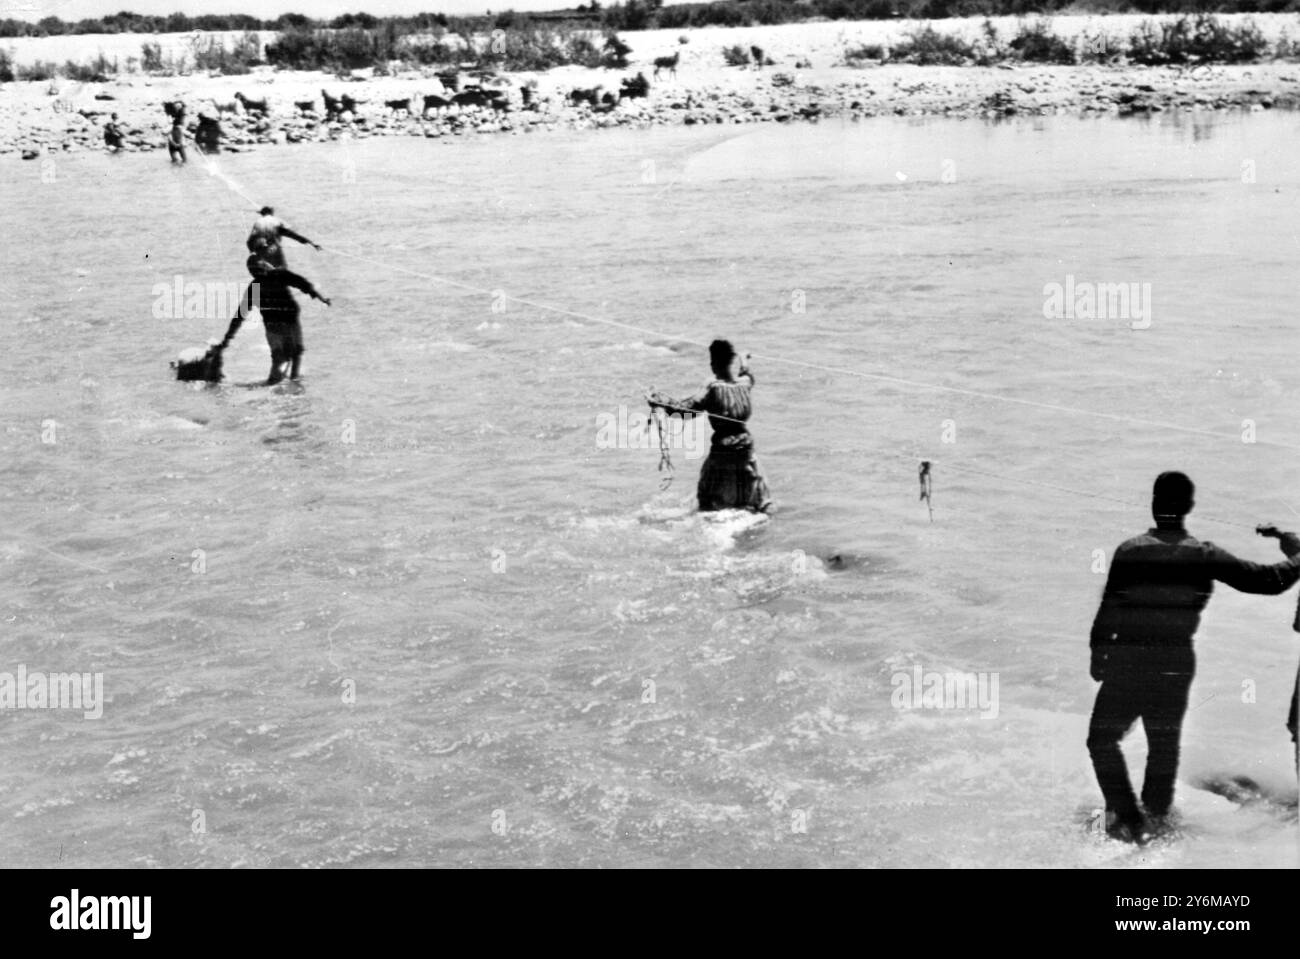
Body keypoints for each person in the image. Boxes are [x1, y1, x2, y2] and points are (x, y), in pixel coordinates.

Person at [1087, 471, 1300, 843]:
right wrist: (1299, 558)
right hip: (1175, 662)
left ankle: (1125, 815)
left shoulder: (1130, 551)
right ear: (1188, 507)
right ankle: (1156, 820)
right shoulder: (1204, 555)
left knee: (1101, 741)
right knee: (1163, 746)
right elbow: (1268, 581)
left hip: (1129, 659)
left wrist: (1098, 651)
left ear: (1154, 503)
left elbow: (1110, 607)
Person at [647, 339, 771, 513]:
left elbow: (687, 410)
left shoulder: (712, 386)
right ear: (730, 361)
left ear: (713, 363)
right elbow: (748, 374)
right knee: (759, 501)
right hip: (746, 449)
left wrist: (659, 403)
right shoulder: (745, 384)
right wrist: (744, 359)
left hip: (723, 449)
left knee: (706, 499)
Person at [216, 240, 331, 385]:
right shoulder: (278, 274)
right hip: (290, 321)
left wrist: (227, 339)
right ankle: (293, 381)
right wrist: (321, 298)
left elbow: (240, 315)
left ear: (252, 272)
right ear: (264, 265)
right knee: (295, 352)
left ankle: (275, 382)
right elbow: (302, 283)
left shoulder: (255, 287)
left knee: (279, 357)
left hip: (273, 326)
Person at [246, 206, 321, 270]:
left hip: (260, 252)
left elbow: (249, 241)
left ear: (262, 214)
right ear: (271, 213)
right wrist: (311, 243)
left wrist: (253, 252)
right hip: (274, 250)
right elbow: (292, 235)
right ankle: (281, 285)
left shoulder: (258, 223)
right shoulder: (276, 221)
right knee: (282, 274)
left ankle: (256, 287)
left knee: (259, 277)